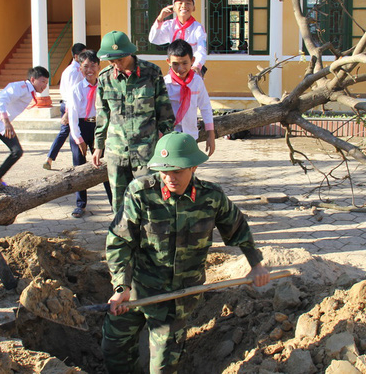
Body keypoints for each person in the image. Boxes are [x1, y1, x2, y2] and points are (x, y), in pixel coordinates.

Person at [101, 131, 270, 373]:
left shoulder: (211, 197)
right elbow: (119, 241)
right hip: (137, 290)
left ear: (193, 167)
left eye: (177, 171)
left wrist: (256, 265)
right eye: (164, 171)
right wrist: (121, 287)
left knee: (163, 368)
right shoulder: (140, 193)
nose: (169, 178)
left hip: (177, 298)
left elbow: (238, 227)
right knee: (114, 350)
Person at [92, 31, 175, 213]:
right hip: (117, 151)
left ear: (129, 52)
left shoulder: (152, 73)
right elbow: (102, 114)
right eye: (111, 61)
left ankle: (150, 239)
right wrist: (99, 145)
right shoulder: (105, 78)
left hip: (146, 151)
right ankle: (123, 239)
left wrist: (169, 146)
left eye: (120, 59)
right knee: (119, 203)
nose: (116, 64)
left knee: (150, 200)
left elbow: (165, 111)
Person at [0, 66, 50, 193]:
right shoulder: (20, 87)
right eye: (42, 81)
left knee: (17, 151)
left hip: (3, 125)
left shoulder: (30, 91)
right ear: (32, 79)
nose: (44, 85)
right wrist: (6, 122)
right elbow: (0, 100)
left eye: (46, 83)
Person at [65, 50, 112, 218]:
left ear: (99, 67)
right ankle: (80, 204)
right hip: (81, 127)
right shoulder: (76, 89)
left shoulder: (104, 86)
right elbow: (72, 115)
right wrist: (78, 139)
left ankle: (114, 202)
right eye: (85, 66)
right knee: (79, 167)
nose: (89, 69)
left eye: (93, 65)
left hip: (100, 128)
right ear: (80, 68)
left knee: (105, 165)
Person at [164, 39, 215, 156]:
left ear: (192, 61)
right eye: (175, 64)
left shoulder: (197, 82)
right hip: (170, 136)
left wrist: (210, 135)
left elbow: (205, 107)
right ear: (168, 62)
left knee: (190, 170)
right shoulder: (165, 84)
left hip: (191, 136)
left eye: (184, 63)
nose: (180, 68)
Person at [44, 43, 86, 170]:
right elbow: (71, 93)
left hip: (68, 105)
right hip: (70, 105)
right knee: (70, 132)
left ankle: (50, 158)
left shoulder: (71, 69)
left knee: (65, 132)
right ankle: (52, 158)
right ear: (76, 56)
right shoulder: (74, 71)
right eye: (83, 54)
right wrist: (68, 111)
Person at [149, 0, 208, 76]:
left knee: (194, 88)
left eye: (188, 3)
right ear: (174, 8)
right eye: (180, 3)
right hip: (175, 67)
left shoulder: (198, 28)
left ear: (193, 8)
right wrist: (160, 19)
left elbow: (201, 49)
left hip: (193, 67)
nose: (184, 6)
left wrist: (196, 66)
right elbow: (154, 39)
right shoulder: (169, 25)